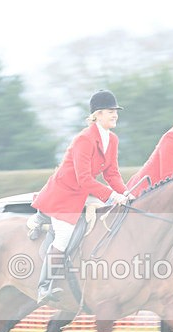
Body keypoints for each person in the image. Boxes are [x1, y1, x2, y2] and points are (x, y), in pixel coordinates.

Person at [31, 89, 132, 304]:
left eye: (115, 111)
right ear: (97, 114)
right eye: (109, 111)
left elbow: (111, 173)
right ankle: (43, 286)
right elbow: (85, 179)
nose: (115, 115)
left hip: (81, 194)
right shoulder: (84, 140)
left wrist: (127, 193)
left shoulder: (112, 140)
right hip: (63, 195)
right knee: (64, 236)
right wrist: (113, 197)